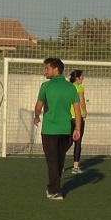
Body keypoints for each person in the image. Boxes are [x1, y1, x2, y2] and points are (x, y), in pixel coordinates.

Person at [34, 58, 81, 200]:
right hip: (66, 129)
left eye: (47, 69)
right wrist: (77, 128)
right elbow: (77, 110)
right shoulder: (71, 87)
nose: (45, 72)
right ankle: (54, 186)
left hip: (49, 129)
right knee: (59, 159)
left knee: (52, 160)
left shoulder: (46, 86)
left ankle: (55, 190)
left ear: (56, 70)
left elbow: (38, 106)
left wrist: (36, 117)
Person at [68, 69, 87, 174]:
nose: (83, 78)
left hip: (68, 117)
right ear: (77, 78)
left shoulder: (68, 87)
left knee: (68, 141)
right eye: (81, 77)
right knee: (77, 142)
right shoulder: (79, 88)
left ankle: (59, 162)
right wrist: (84, 111)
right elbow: (81, 101)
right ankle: (75, 167)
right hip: (78, 117)